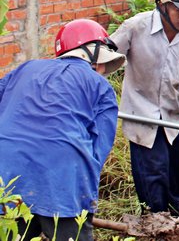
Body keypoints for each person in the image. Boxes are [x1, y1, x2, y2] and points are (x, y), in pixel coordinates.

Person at [0, 19, 126, 241]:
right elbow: (99, 149)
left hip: (8, 175)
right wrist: (83, 193)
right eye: (103, 63)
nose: (103, 69)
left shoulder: (25, 69)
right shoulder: (100, 87)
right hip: (62, 181)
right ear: (90, 53)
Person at [111, 0, 179, 217]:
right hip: (142, 114)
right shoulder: (136, 28)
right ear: (161, 5)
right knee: (153, 172)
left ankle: (175, 209)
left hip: (173, 116)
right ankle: (156, 220)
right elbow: (106, 58)